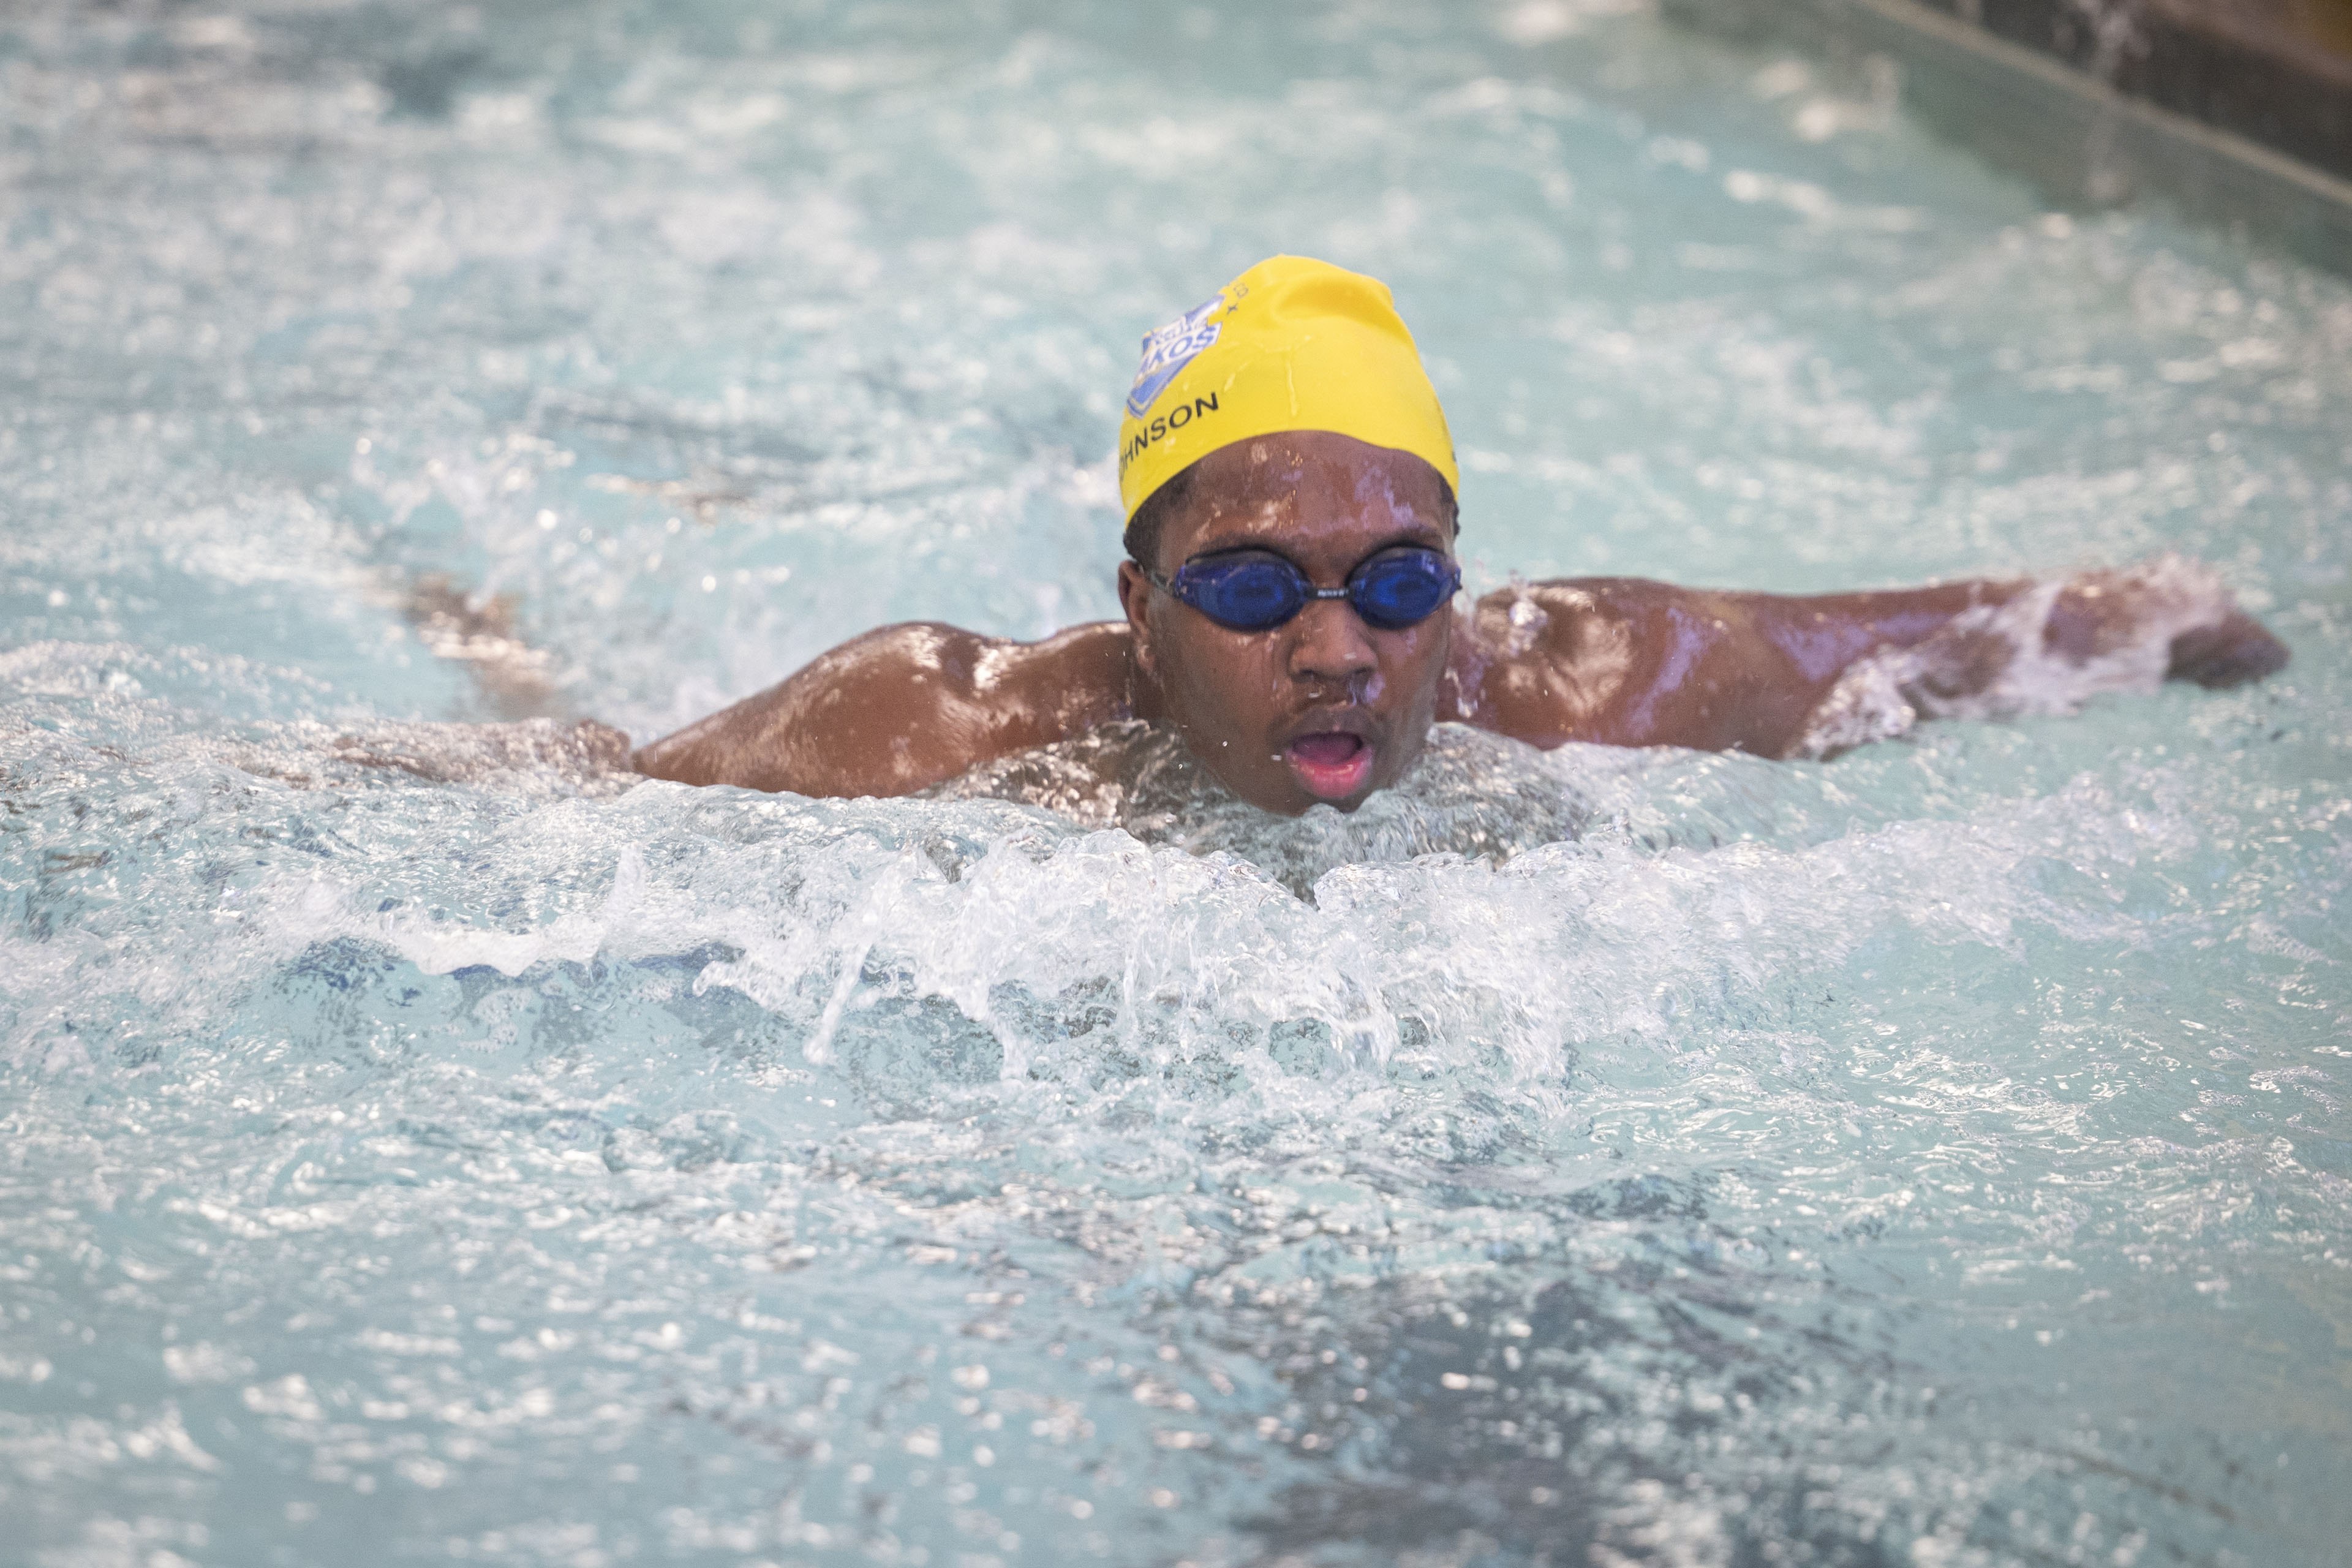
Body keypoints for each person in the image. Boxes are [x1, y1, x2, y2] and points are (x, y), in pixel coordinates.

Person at [631, 256, 2288, 815]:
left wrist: (2219, 644)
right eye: (1256, 588)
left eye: (1402, 582)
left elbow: (2051, 630)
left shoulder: (1611, 686)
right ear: (1137, 612)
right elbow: (566, 796)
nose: (1343, 650)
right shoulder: (942, 723)